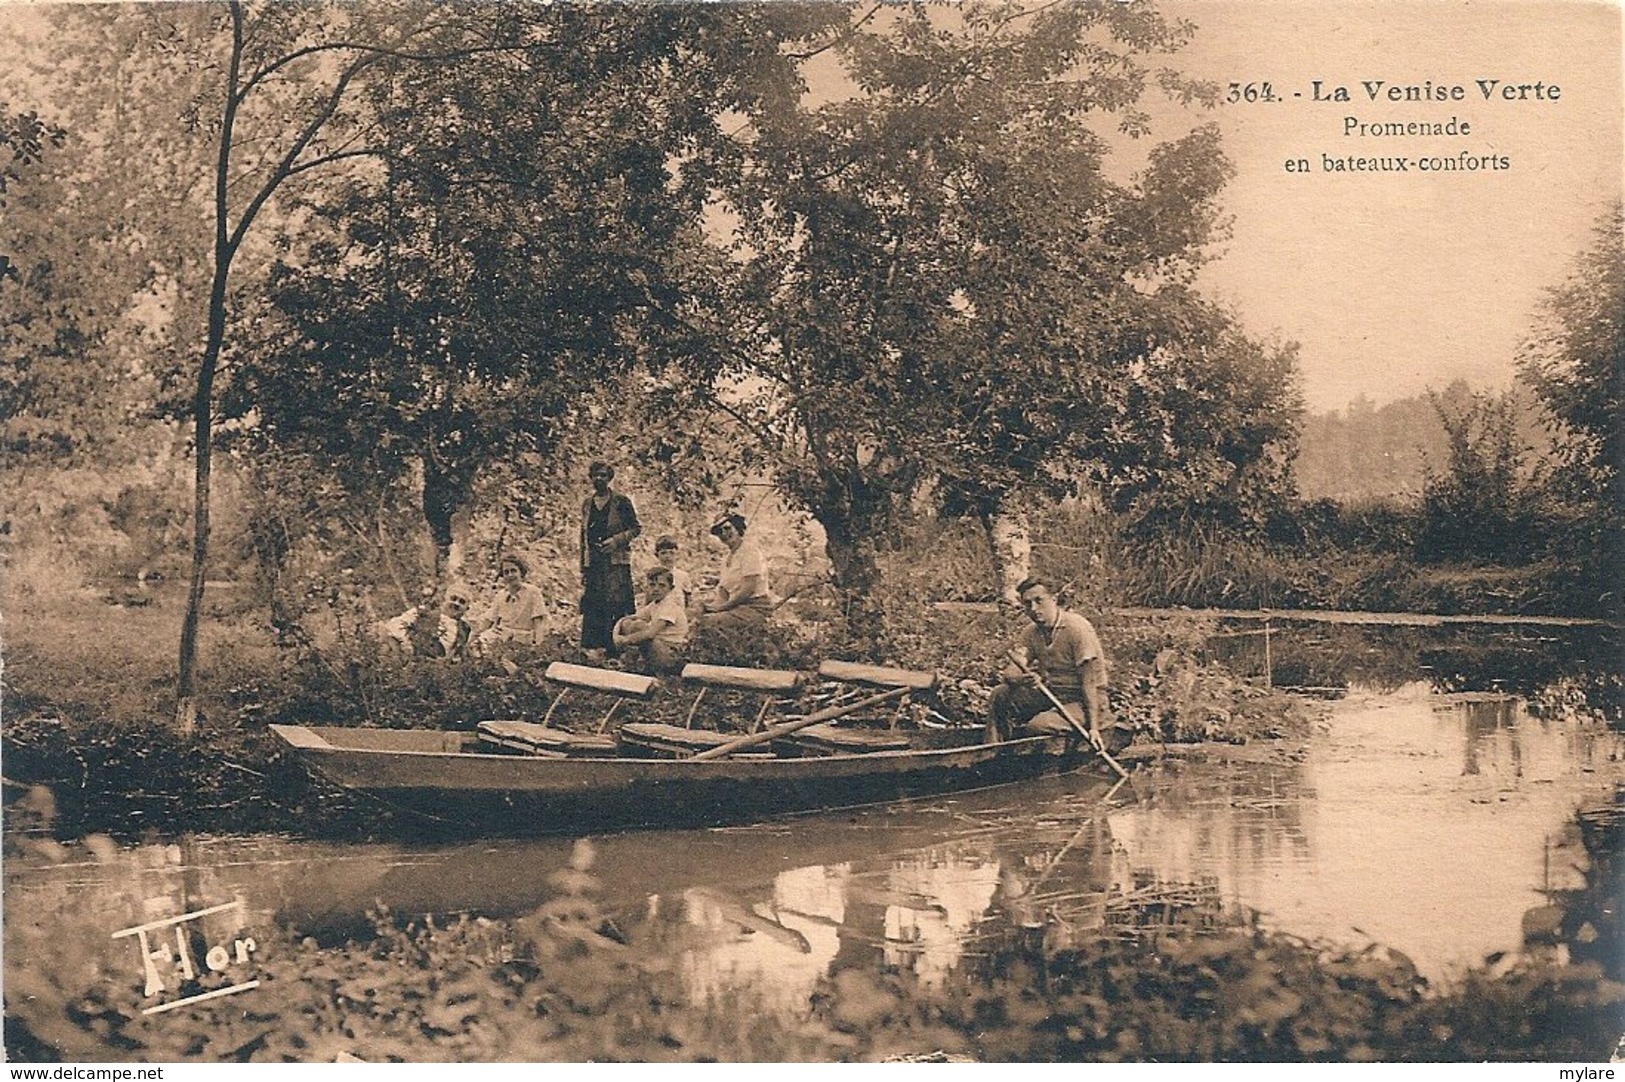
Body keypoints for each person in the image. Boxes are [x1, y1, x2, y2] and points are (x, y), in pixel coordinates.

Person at [988, 576, 1122, 751]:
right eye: (1028, 604)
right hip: (1052, 694)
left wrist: (1094, 728)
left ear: (1054, 599)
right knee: (1000, 694)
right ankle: (991, 752)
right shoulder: (1031, 632)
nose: (1034, 609)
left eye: (1039, 601)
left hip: (1083, 700)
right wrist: (1024, 678)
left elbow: (1089, 683)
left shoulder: (1077, 629)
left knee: (1038, 726)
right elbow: (1010, 673)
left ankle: (1060, 749)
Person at [580, 461, 641, 658]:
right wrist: (583, 565)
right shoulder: (587, 504)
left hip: (615, 562)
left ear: (610, 478)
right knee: (594, 602)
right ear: (590, 477)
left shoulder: (621, 501)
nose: (599, 479)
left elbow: (635, 528)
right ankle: (593, 649)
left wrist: (616, 541)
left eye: (603, 476)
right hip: (595, 562)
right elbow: (583, 536)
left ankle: (616, 648)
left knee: (615, 602)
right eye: (596, 475)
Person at [697, 512, 773, 634]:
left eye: (727, 528)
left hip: (754, 608)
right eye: (719, 532)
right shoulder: (727, 558)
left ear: (737, 528)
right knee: (697, 616)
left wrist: (723, 607)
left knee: (710, 622)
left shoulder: (749, 551)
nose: (724, 534)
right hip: (735, 607)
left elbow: (749, 587)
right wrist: (712, 607)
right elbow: (723, 592)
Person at [612, 566, 690, 674]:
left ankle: (657, 667)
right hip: (660, 647)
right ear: (647, 587)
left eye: (662, 585)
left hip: (671, 652)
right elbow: (632, 617)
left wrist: (625, 640)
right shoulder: (655, 604)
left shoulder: (670, 606)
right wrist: (617, 630)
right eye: (652, 585)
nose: (656, 589)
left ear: (671, 588)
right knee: (629, 624)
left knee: (639, 627)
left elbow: (650, 634)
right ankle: (641, 662)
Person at [382, 584, 473, 660]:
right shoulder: (424, 612)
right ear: (445, 599)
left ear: (466, 608)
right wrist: (406, 643)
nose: (456, 604)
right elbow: (394, 625)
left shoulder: (465, 629)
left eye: (462, 602)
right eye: (453, 598)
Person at [474, 554, 548, 648]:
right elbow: (489, 620)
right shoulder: (501, 595)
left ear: (521, 572)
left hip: (522, 640)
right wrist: (476, 637)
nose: (510, 575)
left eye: (513, 571)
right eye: (506, 572)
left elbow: (539, 623)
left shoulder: (533, 592)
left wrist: (538, 646)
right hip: (500, 636)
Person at [654, 535, 694, 612]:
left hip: (678, 613)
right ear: (657, 555)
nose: (668, 556)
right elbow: (649, 598)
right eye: (663, 553)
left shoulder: (683, 575)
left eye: (671, 553)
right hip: (659, 613)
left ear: (677, 554)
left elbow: (688, 599)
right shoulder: (654, 575)